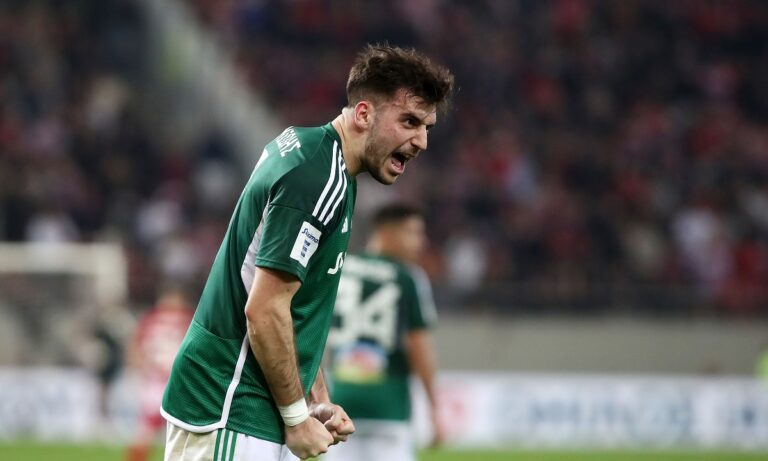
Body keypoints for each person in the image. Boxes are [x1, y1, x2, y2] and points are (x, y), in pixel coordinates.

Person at [160, 44, 454, 461]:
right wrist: (297, 419)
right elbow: (264, 310)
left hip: (249, 408)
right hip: (231, 404)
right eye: (409, 121)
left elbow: (295, 310)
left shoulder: (319, 158)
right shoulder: (317, 177)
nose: (421, 141)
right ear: (364, 114)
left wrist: (316, 399)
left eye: (427, 127)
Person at [323, 204, 443, 461]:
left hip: (339, 403)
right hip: (388, 406)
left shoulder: (340, 268)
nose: (420, 242)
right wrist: (434, 407)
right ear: (387, 232)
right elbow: (419, 345)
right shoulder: (407, 277)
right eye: (413, 233)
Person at [126, 288, 194, 461]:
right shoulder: (188, 318)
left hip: (155, 380)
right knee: (185, 431)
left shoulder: (151, 318)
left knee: (146, 429)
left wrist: (141, 368)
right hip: (179, 380)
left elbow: (135, 347)